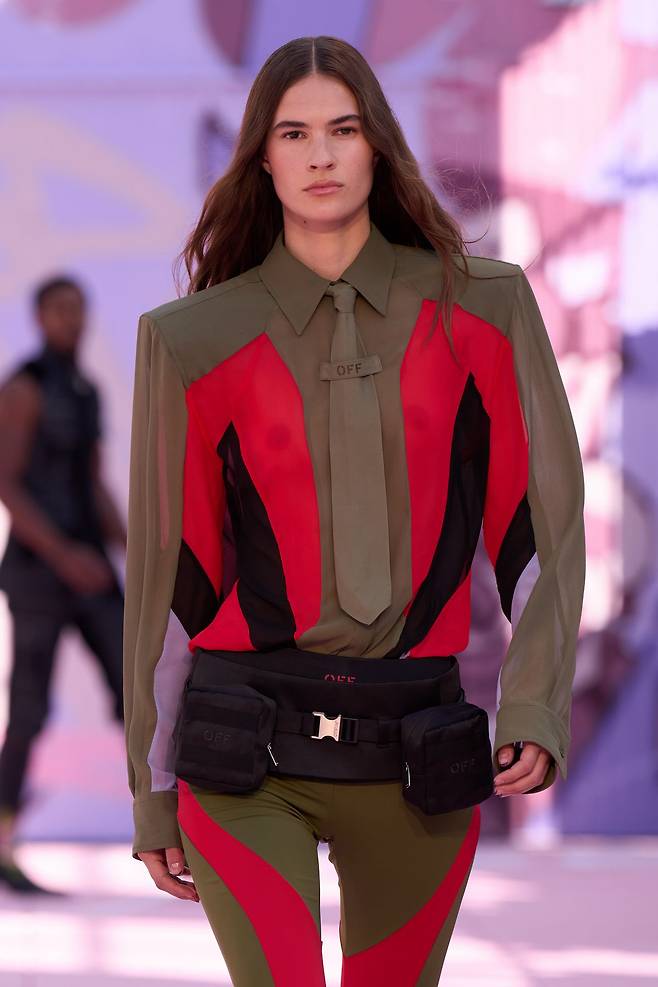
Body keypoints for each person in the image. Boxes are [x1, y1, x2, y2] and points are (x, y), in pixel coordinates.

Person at [123, 35, 586, 986]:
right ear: (262, 157)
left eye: (343, 128)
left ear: (378, 143)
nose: (321, 155)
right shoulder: (191, 339)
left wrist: (535, 700)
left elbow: (541, 527)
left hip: (416, 750)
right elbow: (170, 582)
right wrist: (153, 784)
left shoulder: (485, 308)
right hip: (242, 751)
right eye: (294, 134)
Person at [0, 275, 126, 893]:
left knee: (138, 692)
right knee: (27, 708)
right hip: (37, 570)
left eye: (77, 308)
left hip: (88, 564)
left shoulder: (86, 389)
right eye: (59, 310)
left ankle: (183, 828)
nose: (70, 319)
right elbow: (6, 481)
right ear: (39, 317)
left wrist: (135, 545)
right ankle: (2, 842)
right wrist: (61, 553)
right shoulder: (24, 388)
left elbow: (93, 483)